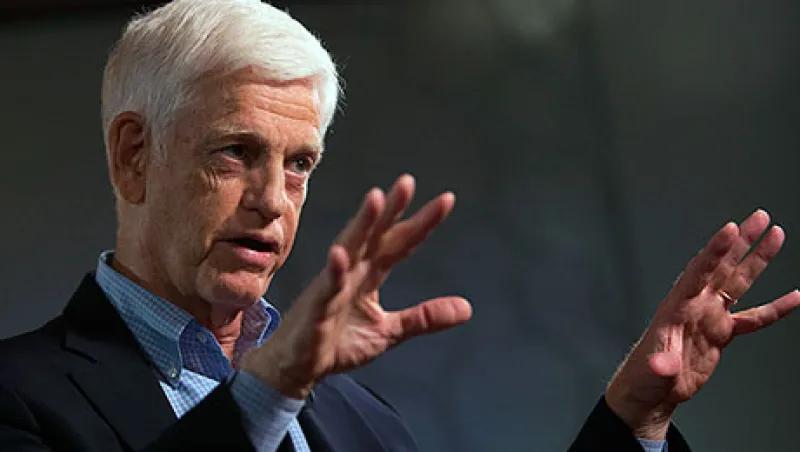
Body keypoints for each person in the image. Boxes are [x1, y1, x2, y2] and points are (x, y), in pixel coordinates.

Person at [0, 1, 796, 451]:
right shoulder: (18, 399)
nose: (272, 200)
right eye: (236, 152)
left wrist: (634, 418)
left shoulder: (359, 418)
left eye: (299, 164)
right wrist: (264, 394)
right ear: (134, 155)